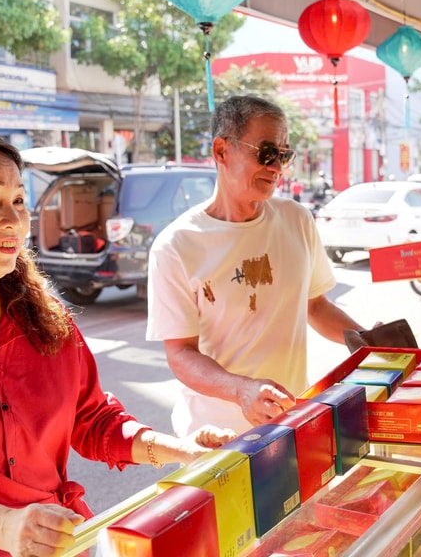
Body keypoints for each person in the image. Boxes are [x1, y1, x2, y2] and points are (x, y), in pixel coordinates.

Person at [0, 134, 236, 557]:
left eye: (18, 200)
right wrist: (7, 526)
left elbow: (92, 419)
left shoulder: (46, 318)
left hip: (64, 543)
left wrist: (182, 449)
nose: (13, 220)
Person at [146, 95, 367, 437]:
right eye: (266, 153)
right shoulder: (177, 245)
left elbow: (317, 306)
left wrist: (366, 341)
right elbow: (180, 353)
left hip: (290, 422)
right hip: (215, 437)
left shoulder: (296, 220)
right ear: (222, 151)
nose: (277, 167)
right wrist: (241, 390)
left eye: (283, 155)